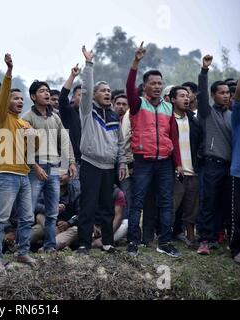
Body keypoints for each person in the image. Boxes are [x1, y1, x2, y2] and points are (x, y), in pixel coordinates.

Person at [126, 42, 183, 258]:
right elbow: (129, 85)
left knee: (167, 202)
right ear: (145, 86)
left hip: (165, 162)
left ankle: (165, 242)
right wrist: (136, 62)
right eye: (153, 83)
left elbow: (174, 138)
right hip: (143, 161)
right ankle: (133, 242)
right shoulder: (137, 104)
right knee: (138, 202)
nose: (158, 86)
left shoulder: (169, 107)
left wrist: (178, 163)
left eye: (160, 83)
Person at [76, 45, 126, 254]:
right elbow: (86, 88)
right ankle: (84, 244)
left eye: (108, 91)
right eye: (103, 91)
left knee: (107, 206)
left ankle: (107, 243)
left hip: (109, 167)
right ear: (94, 95)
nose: (107, 93)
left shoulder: (114, 116)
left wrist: (122, 162)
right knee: (88, 206)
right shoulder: (88, 111)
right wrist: (89, 64)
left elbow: (121, 143)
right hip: (90, 164)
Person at [0, 53, 37, 272]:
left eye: (21, 99)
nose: (19, 101)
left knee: (27, 218)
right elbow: (3, 95)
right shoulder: (0, 117)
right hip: (6, 175)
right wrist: (9, 72)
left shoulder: (22, 123)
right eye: (14, 98)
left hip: (24, 175)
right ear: (5, 101)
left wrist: (33, 135)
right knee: (1, 220)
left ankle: (22, 253)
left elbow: (31, 152)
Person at [23, 79, 77, 253]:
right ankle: (22, 248)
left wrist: (71, 162)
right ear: (33, 96)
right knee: (28, 210)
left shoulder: (55, 117)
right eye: (41, 91)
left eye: (47, 90)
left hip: (53, 166)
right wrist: (34, 166)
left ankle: (50, 246)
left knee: (52, 210)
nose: (46, 93)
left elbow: (65, 140)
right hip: (35, 168)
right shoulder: (27, 118)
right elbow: (23, 146)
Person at [197, 55, 232, 255]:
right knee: (208, 203)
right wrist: (204, 71)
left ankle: (218, 237)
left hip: (229, 167)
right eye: (221, 93)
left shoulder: (233, 115)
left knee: (224, 204)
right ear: (213, 95)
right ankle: (204, 240)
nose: (226, 96)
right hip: (211, 165)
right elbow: (201, 94)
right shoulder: (206, 113)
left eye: (228, 93)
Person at [170, 86, 202, 247]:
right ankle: (165, 235)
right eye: (182, 96)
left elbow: (200, 142)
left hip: (193, 169)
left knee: (192, 205)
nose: (186, 98)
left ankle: (190, 236)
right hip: (174, 169)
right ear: (173, 99)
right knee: (172, 205)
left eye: (187, 95)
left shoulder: (193, 120)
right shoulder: (168, 119)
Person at [230, 76, 240, 264]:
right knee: (238, 215)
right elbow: (237, 99)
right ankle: (236, 248)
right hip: (239, 173)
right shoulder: (238, 115)